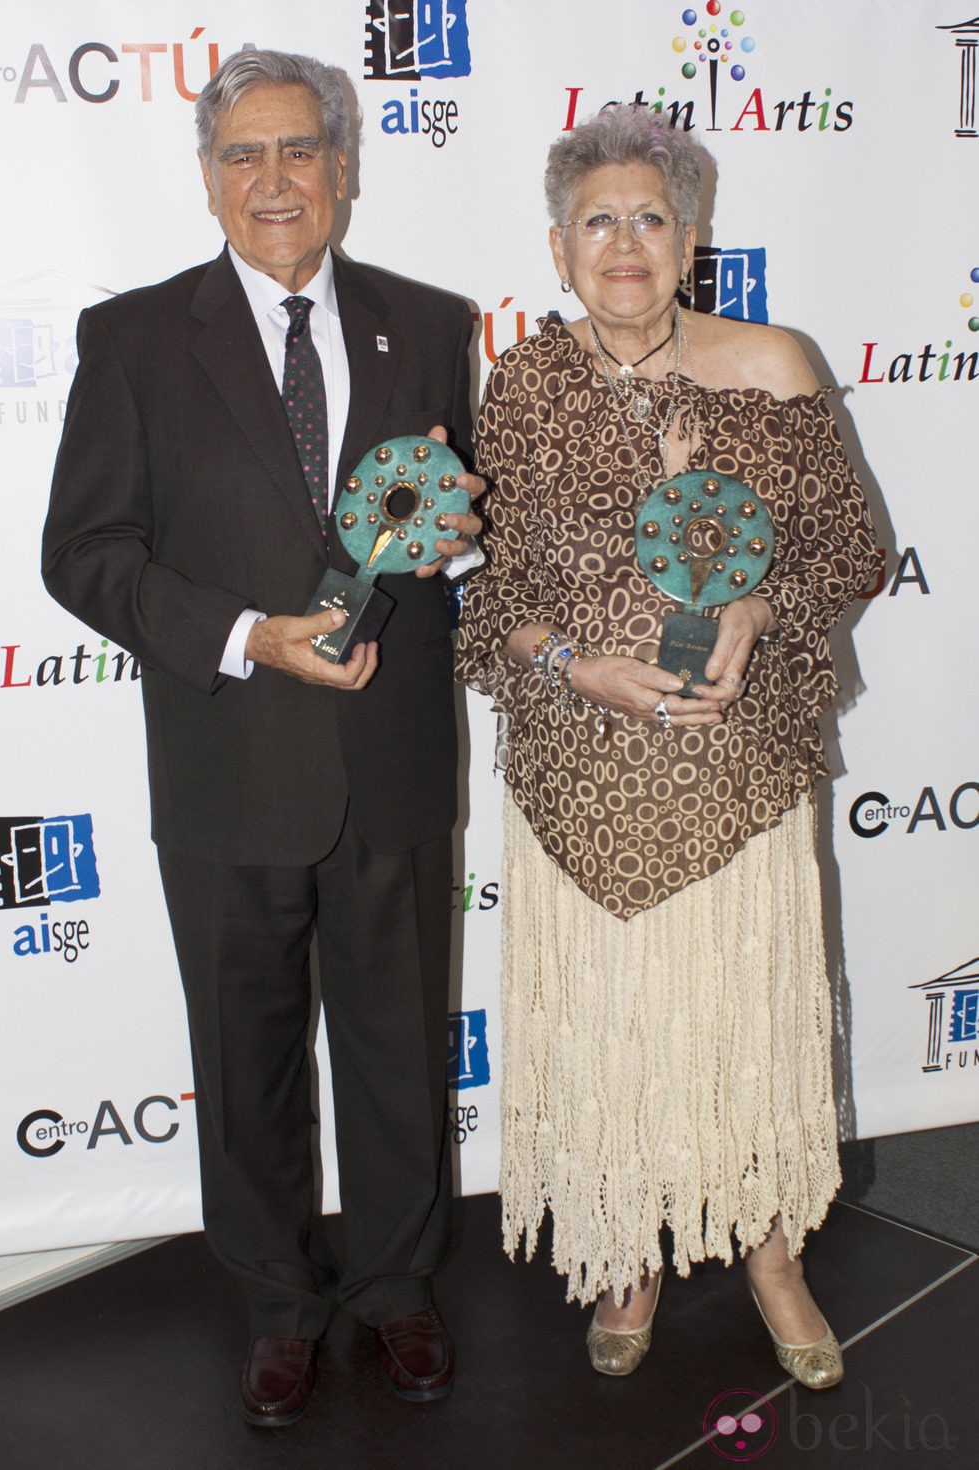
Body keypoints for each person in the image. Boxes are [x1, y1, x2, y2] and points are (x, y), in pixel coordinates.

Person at [42, 49, 482, 1426]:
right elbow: (86, 553)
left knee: (402, 1049)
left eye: (301, 151)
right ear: (207, 176)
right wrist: (247, 632)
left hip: (392, 761)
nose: (275, 181)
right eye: (246, 155)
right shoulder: (133, 337)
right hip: (229, 757)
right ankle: (282, 1303)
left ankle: (399, 1289)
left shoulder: (432, 319)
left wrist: (466, 545)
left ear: (346, 168)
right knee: (247, 1065)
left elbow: (456, 523)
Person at [455, 106, 877, 1389]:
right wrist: (570, 665)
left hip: (736, 772)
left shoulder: (773, 363)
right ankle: (623, 1244)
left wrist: (754, 607)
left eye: (648, 218)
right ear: (555, 245)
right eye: (598, 221)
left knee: (746, 1022)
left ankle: (769, 1255)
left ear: (690, 239)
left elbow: (849, 551)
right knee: (616, 1033)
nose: (623, 243)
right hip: (581, 780)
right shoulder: (523, 386)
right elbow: (492, 595)